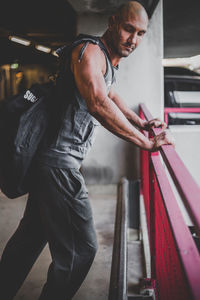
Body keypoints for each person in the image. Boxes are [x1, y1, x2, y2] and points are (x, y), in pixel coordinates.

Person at [0, 1, 174, 299]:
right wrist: (144, 142)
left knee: (29, 240)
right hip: (58, 165)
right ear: (112, 22)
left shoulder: (105, 59)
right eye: (128, 29)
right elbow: (98, 101)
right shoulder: (90, 52)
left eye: (141, 33)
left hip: (53, 164)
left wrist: (140, 123)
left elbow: (110, 94)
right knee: (82, 250)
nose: (133, 39)